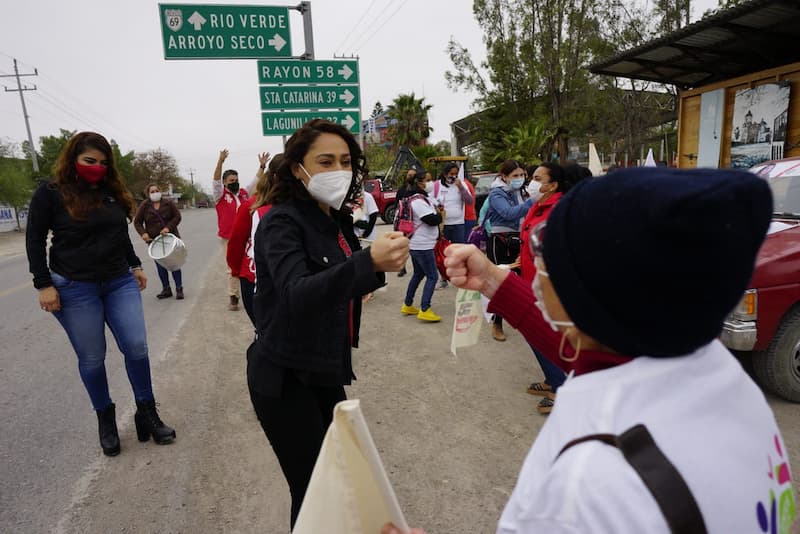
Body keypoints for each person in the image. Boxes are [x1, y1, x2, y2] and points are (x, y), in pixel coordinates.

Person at [386, 167, 796, 534]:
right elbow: (594, 356)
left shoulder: (591, 483)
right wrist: (493, 280)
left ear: (595, 292)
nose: (535, 266)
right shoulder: (713, 372)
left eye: (548, 254)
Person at [247, 119, 409, 529]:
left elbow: (341, 278)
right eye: (325, 161)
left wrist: (373, 268)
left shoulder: (332, 219)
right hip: (284, 375)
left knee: (341, 480)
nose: (339, 170)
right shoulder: (280, 221)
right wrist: (366, 264)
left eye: (346, 161)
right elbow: (296, 293)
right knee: (315, 489)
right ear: (297, 168)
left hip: (321, 368)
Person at [25, 131, 175, 457]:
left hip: (118, 281)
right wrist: (43, 284)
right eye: (89, 161)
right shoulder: (50, 193)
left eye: (103, 163)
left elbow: (119, 234)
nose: (97, 167)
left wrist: (135, 265)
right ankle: (105, 419)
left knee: (136, 347)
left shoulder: (111, 193)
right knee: (92, 358)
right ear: (73, 159)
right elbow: (34, 239)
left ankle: (146, 412)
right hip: (74, 287)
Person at [518, 162, 570, 414]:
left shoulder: (557, 210)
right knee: (535, 333)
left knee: (541, 334)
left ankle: (560, 386)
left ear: (553, 185)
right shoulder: (537, 207)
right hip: (531, 281)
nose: (532, 182)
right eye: (532, 177)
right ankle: (552, 378)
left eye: (538, 178)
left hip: (549, 287)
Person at [226, 153, 282, 325]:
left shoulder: (301, 204)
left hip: (283, 279)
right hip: (254, 276)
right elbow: (236, 243)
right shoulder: (250, 205)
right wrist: (236, 271)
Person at [484, 160, 533, 342]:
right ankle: (497, 322)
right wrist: (533, 202)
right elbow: (509, 213)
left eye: (522, 175)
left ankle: (522, 319)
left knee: (521, 279)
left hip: (519, 239)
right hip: (501, 241)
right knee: (501, 282)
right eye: (515, 176)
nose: (519, 179)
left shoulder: (523, 191)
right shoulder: (497, 193)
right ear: (504, 177)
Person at [213, 149, 262, 311]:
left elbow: (255, 182)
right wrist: (220, 161)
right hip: (228, 237)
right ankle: (234, 296)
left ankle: (253, 291)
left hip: (247, 236)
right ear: (225, 183)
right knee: (232, 267)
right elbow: (215, 180)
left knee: (249, 263)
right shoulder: (220, 195)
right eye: (231, 180)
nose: (235, 182)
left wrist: (262, 166)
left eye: (236, 179)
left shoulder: (243, 194)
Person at [401, 171, 444, 322]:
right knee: (432, 276)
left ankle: (408, 304)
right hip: (422, 245)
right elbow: (431, 219)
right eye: (428, 180)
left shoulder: (417, 198)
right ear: (419, 183)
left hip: (418, 244)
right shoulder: (417, 201)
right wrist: (440, 215)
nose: (431, 182)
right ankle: (425, 309)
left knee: (418, 274)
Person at [133, 183, 184, 300]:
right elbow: (137, 222)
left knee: (174, 264)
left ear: (160, 191)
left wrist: (168, 228)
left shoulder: (168, 203)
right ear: (148, 194)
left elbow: (177, 217)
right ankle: (166, 289)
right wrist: (143, 234)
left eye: (156, 190)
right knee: (161, 265)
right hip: (154, 241)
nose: (155, 193)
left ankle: (179, 288)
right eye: (152, 191)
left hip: (170, 239)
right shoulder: (145, 205)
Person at [429, 162, 473, 287]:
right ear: (445, 174)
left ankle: (461, 276)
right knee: (441, 252)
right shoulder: (436, 185)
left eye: (455, 174)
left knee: (458, 252)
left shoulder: (461, 184)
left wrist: (461, 188)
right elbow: (429, 199)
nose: (453, 176)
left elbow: (469, 201)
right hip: (443, 225)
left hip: (458, 224)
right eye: (451, 174)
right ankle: (443, 278)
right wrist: (437, 204)